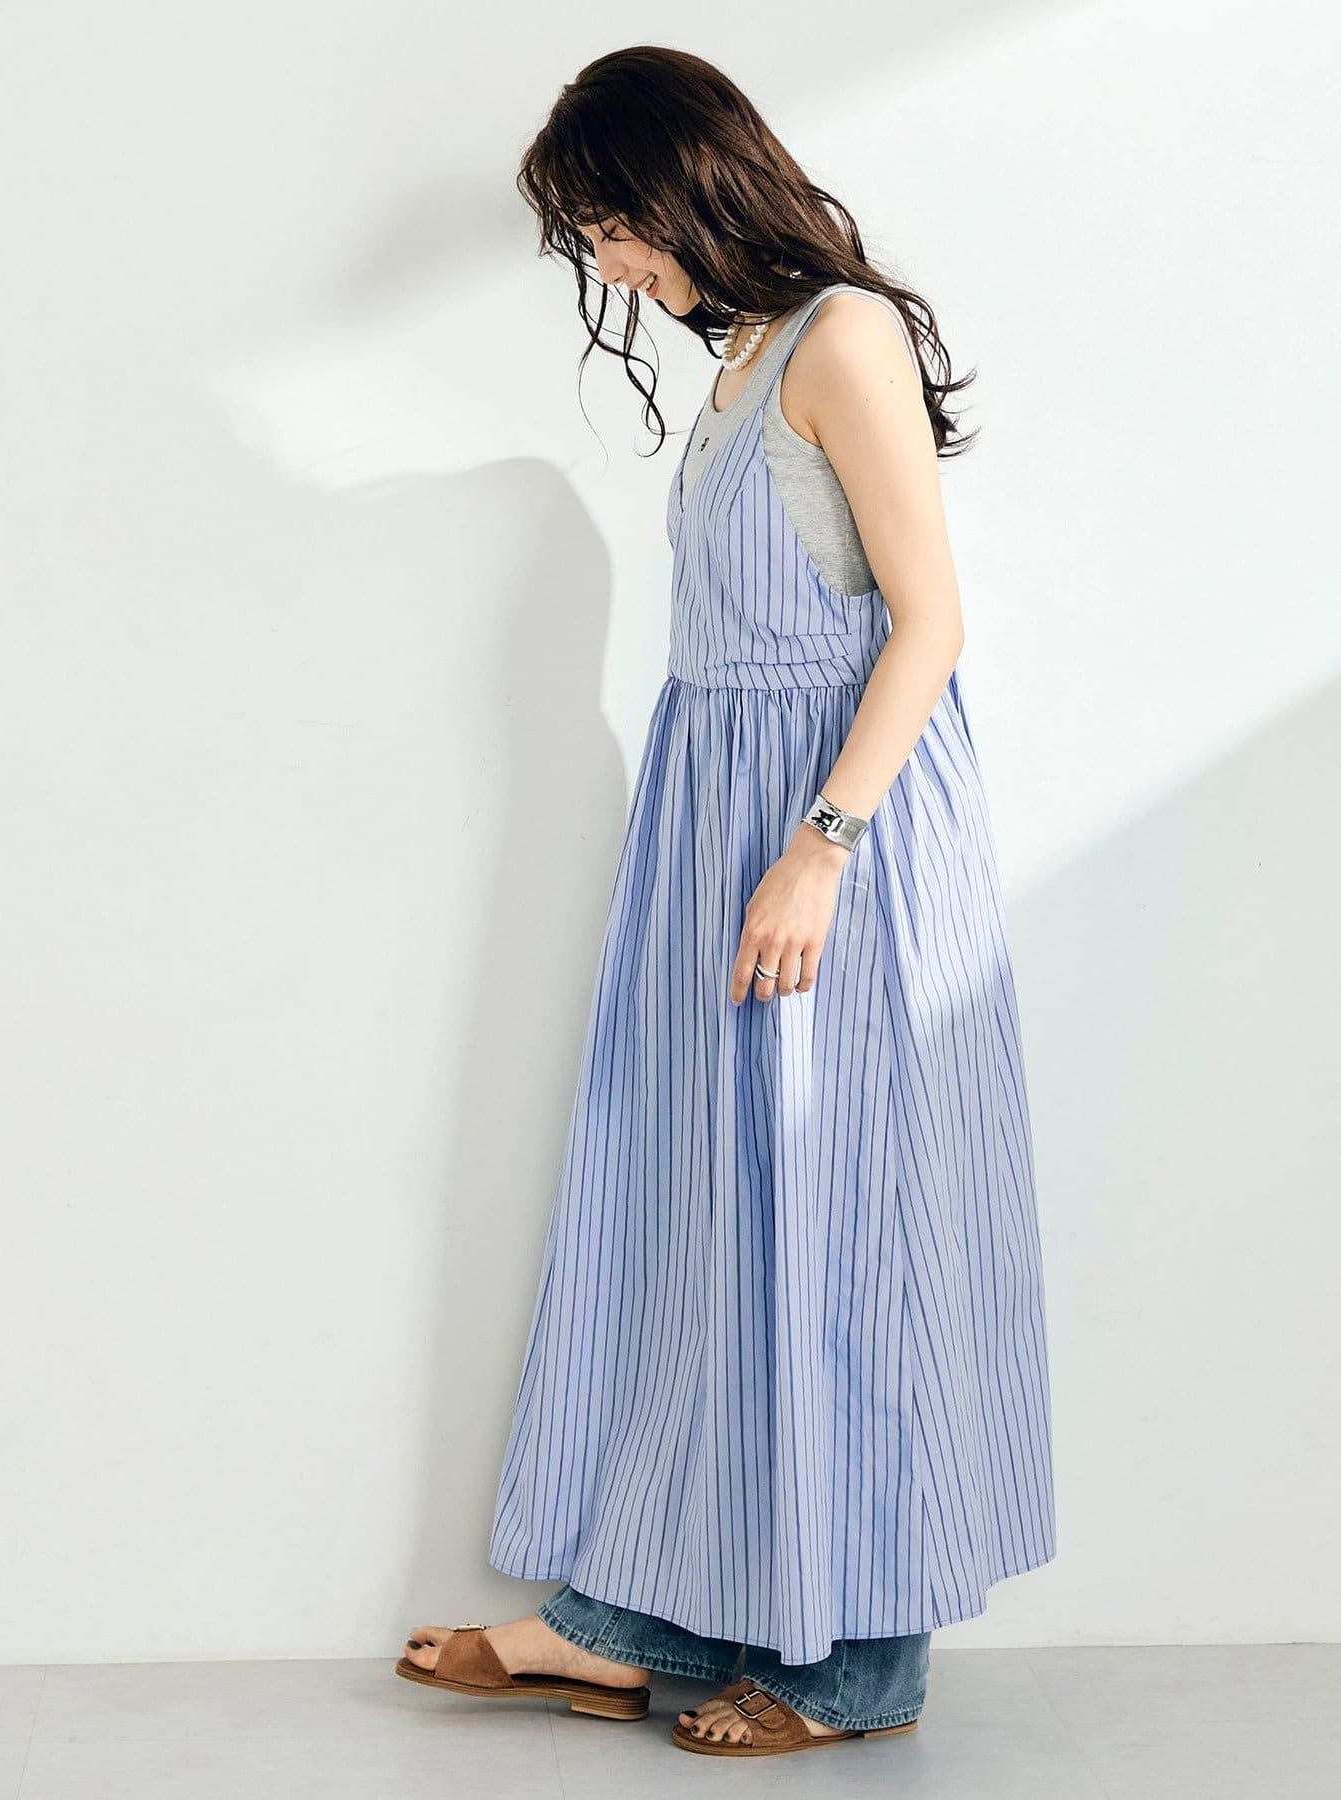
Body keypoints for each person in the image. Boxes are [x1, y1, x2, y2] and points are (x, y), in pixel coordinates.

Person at [395, 45, 1055, 1759]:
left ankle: (859, 1667)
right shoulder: (749, 354)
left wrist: (820, 843)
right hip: (717, 827)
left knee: (849, 1230)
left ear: (685, 188)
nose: (608, 267)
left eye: (610, 227)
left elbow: (930, 621)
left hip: (839, 838)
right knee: (712, 1229)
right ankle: (636, 1623)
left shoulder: (841, 338)